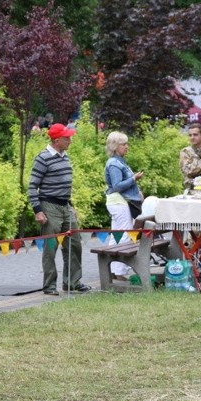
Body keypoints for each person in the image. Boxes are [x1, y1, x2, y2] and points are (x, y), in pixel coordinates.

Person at [29, 122, 90, 295]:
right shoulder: (42, 158)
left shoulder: (65, 156)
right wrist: (38, 210)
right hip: (49, 206)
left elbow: (64, 186)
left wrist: (71, 206)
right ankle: (49, 285)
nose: (70, 140)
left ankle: (72, 282)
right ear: (56, 140)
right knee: (51, 247)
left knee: (74, 244)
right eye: (66, 138)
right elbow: (32, 186)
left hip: (65, 206)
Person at [105, 131, 144, 280]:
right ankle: (119, 273)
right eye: (124, 144)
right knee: (125, 235)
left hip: (120, 201)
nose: (127, 147)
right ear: (115, 146)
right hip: (119, 202)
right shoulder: (114, 163)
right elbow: (116, 186)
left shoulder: (120, 161)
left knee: (117, 235)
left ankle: (113, 271)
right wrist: (134, 178)